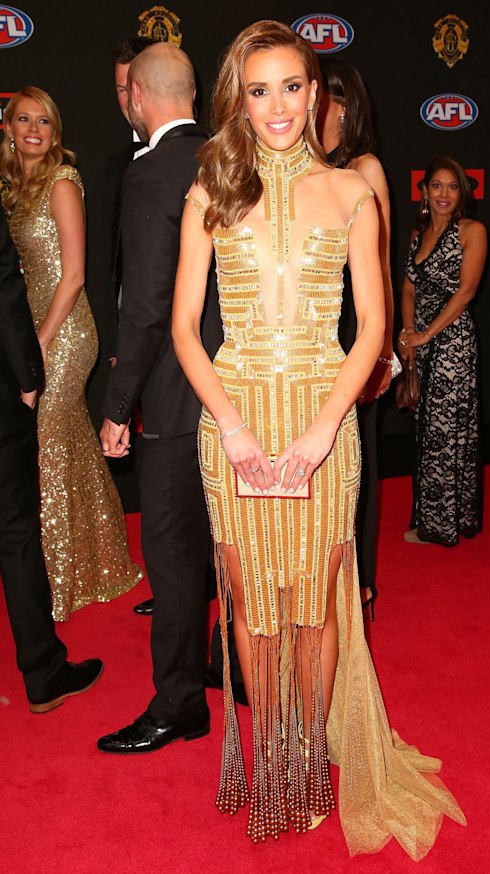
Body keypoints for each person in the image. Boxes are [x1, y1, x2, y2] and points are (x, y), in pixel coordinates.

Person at [172, 20, 465, 856]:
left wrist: (322, 428)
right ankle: (272, 758)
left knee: (317, 601)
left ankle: (306, 763)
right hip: (232, 425)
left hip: (323, 420)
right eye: (258, 89)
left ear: (317, 93)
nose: (278, 107)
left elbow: (373, 329)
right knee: (251, 602)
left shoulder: (352, 194)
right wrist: (229, 426)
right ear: (239, 96)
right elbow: (185, 330)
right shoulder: (210, 191)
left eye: (293, 87)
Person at [97, 42, 224, 754]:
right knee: (225, 545)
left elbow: (144, 309)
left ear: (138, 98)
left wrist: (118, 405)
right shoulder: (227, 158)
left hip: (177, 400)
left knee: (173, 555)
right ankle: (222, 659)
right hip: (239, 392)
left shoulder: (151, 175)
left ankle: (178, 703)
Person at [0, 88, 142, 621]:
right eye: (23, 119)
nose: (33, 129)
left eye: (44, 121)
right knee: (70, 443)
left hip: (63, 332)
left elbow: (76, 274)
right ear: (8, 128)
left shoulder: (62, 181)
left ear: (55, 132)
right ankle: (102, 561)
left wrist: (36, 345)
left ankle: (56, 583)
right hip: (31, 329)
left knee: (48, 446)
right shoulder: (13, 188)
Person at [0, 200, 103, 711]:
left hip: (62, 337)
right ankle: (42, 673)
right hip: (9, 384)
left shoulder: (61, 181)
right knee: (16, 529)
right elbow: (6, 290)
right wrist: (26, 379)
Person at [317, 56, 400, 615]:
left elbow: (384, 264)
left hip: (356, 329)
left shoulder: (364, 167)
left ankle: (359, 585)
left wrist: (384, 349)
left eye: (326, 95)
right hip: (310, 331)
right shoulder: (298, 165)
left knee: (356, 461)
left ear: (346, 107)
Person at [400, 157, 487, 546]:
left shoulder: (472, 231)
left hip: (453, 344)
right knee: (425, 430)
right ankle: (438, 516)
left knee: (446, 433)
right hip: (422, 343)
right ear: (424, 192)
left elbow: (465, 292)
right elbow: (408, 288)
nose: (444, 194)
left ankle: (443, 525)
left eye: (452, 187)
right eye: (437, 186)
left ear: (462, 193)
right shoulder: (418, 235)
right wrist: (409, 335)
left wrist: (427, 334)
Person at [104, 35, 156, 616]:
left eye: (132, 86)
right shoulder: (114, 165)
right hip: (132, 334)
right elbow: (114, 266)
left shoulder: (201, 158)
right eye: (118, 88)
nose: (126, 99)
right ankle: (170, 589)